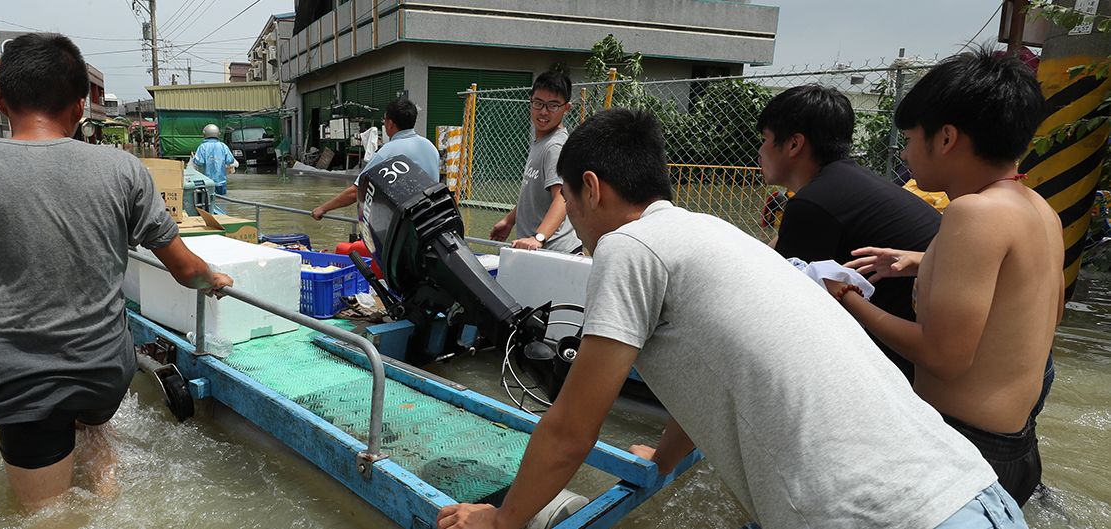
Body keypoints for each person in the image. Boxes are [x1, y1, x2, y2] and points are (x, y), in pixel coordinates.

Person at [437, 108, 1023, 529]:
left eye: (567, 198)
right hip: (975, 492)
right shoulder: (714, 232)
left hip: (880, 517)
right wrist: (663, 459)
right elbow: (710, 370)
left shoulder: (628, 247)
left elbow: (570, 428)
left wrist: (502, 519)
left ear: (591, 188)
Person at [0, 33, 232, 512]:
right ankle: (106, 484)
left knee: (48, 516)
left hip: (26, 384)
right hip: (107, 371)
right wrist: (215, 280)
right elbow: (186, 270)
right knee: (91, 426)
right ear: (80, 107)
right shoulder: (124, 170)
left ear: (2, 103)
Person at [828, 48, 1059, 506]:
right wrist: (922, 261)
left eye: (910, 137)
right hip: (1014, 450)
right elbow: (1025, 297)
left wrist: (846, 298)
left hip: (961, 455)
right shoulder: (1038, 208)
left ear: (947, 137)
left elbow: (944, 357)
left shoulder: (974, 213)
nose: (906, 152)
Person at [757, 84, 943, 382]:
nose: (760, 151)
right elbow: (774, 255)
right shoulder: (844, 186)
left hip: (910, 369)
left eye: (764, 140)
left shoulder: (813, 203)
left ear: (793, 145)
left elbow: (778, 302)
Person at [489, 71, 583, 253]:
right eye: (538, 103)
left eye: (553, 106)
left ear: (566, 108)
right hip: (539, 248)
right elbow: (535, 195)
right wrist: (509, 221)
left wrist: (538, 237)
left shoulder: (555, 147)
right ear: (531, 101)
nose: (543, 111)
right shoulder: (542, 142)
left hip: (554, 251)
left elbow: (563, 197)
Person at [310, 98, 439, 220]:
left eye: (385, 120)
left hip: (404, 223)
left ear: (390, 123)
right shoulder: (430, 147)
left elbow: (356, 192)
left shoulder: (386, 152)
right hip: (432, 218)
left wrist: (323, 208)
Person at [192, 123, 237, 195]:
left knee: (210, 200)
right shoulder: (223, 146)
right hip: (221, 182)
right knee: (223, 200)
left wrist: (193, 157)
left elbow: (199, 162)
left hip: (208, 183)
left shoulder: (203, 146)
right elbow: (230, 160)